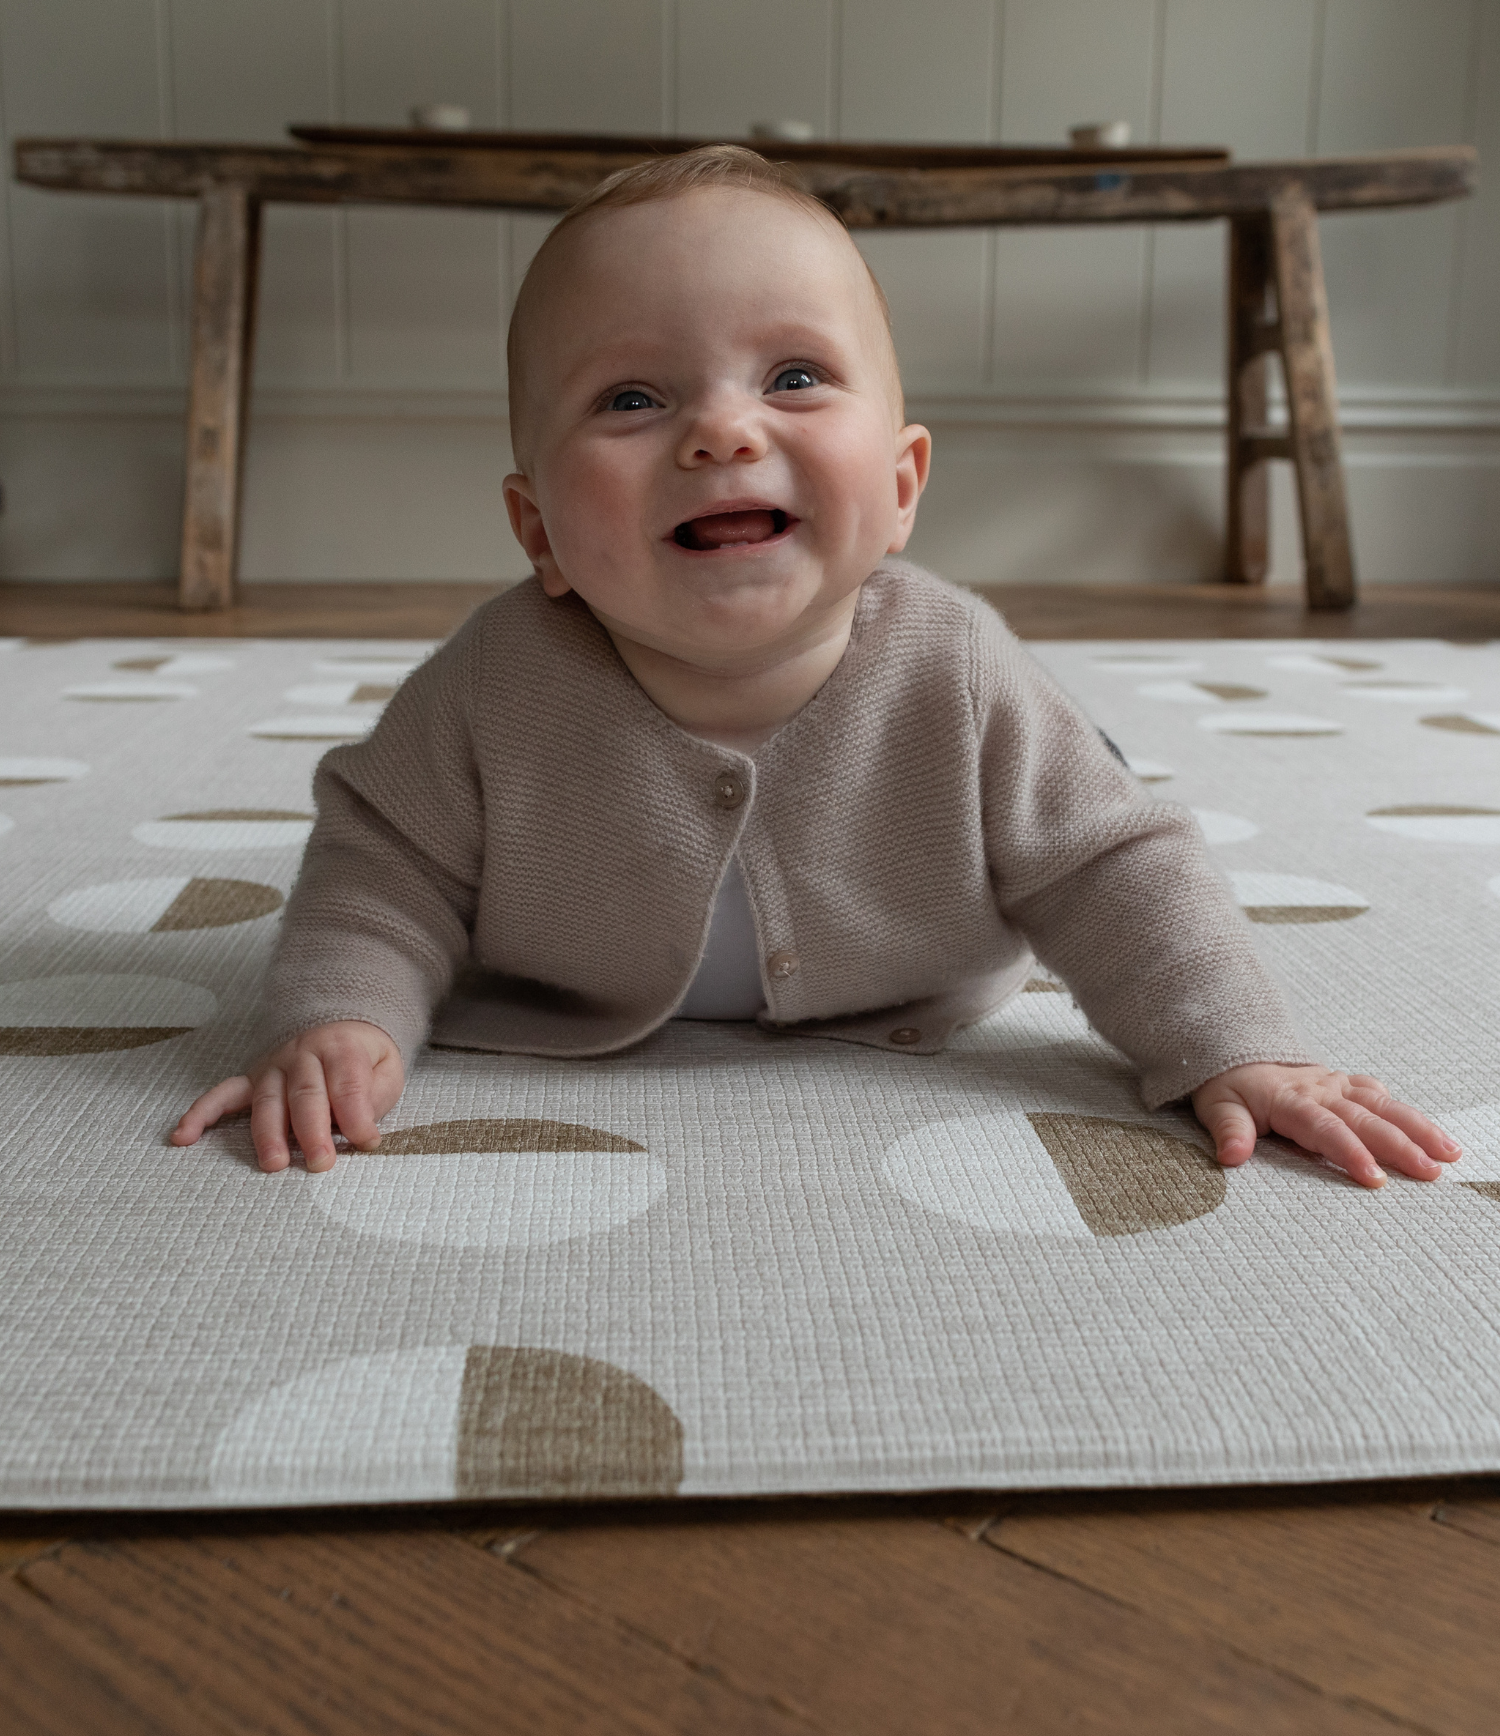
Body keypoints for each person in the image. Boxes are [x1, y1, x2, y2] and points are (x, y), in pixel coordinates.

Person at [172, 146, 1460, 1192]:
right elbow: (381, 865)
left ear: (901, 489)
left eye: (794, 377)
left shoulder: (953, 665)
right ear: (539, 533)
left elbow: (1115, 870)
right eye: (632, 399)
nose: (723, 431)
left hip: (922, 971)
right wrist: (341, 1019)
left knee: (1088, 814)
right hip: (570, 997)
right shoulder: (493, 681)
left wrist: (1234, 1051)